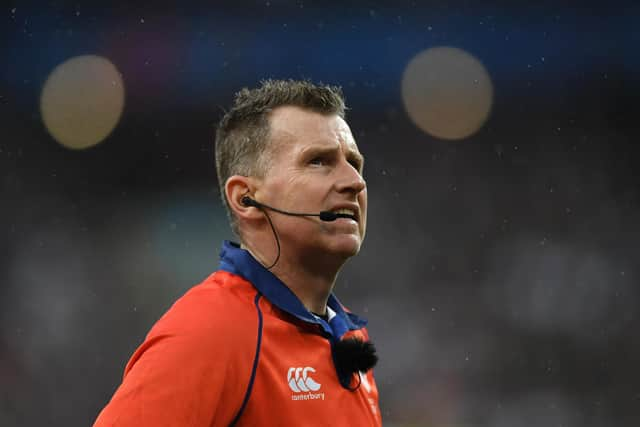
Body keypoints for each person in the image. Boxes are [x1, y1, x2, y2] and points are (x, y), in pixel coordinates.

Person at [93, 79, 381, 426]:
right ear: (246, 199)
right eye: (318, 161)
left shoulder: (349, 335)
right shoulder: (210, 332)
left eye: (354, 162)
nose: (354, 181)